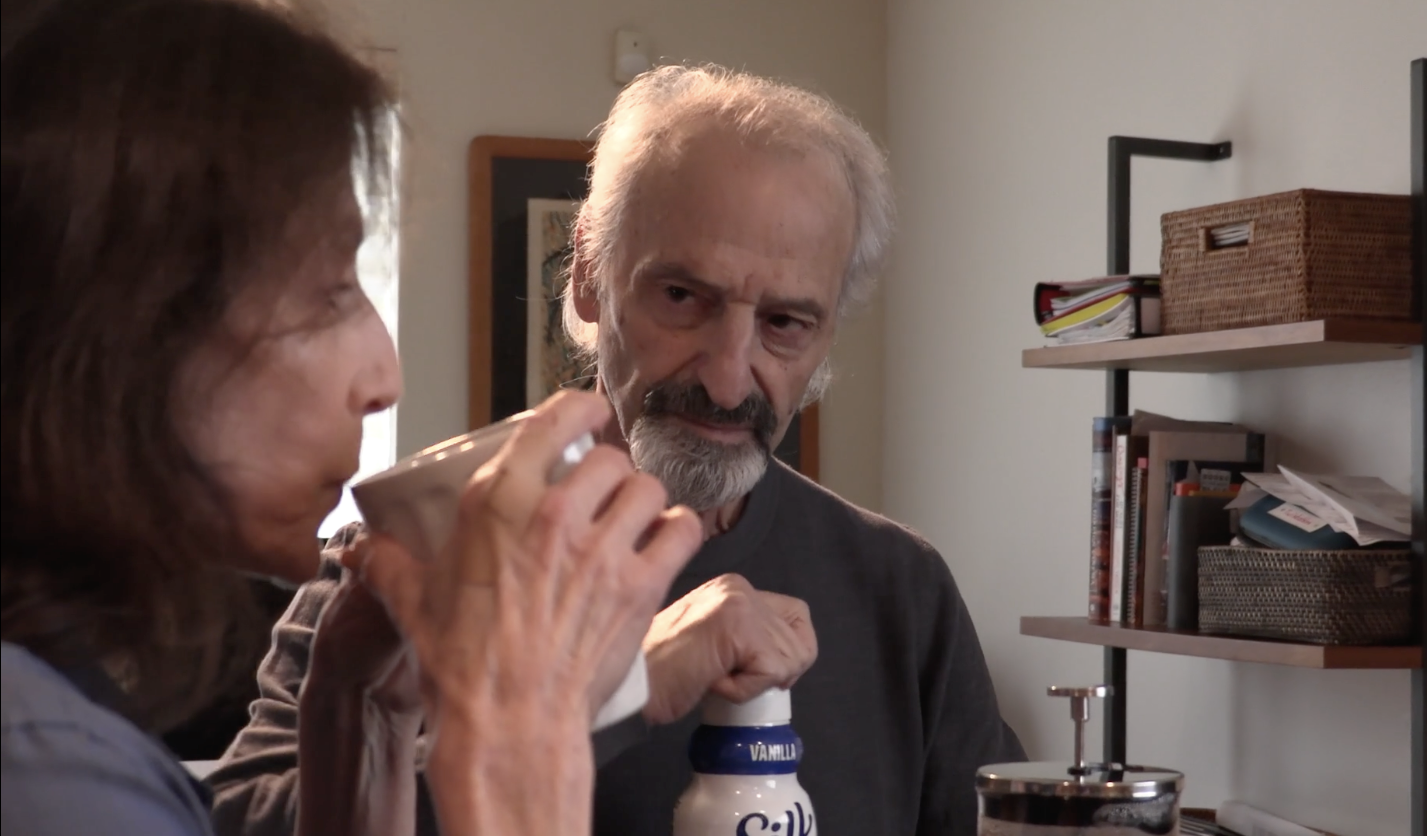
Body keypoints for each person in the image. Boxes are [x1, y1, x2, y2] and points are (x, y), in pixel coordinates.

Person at [1, 3, 814, 835]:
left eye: (787, 321)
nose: (385, 378)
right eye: (328, 292)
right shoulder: (52, 776)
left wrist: (365, 740)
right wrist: (523, 742)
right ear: (114, 323)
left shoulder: (62, 730)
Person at [212, 64, 1027, 836]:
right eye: (682, 297)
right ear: (588, 275)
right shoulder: (410, 554)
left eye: (784, 323)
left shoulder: (902, 591)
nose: (726, 379)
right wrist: (617, 692)